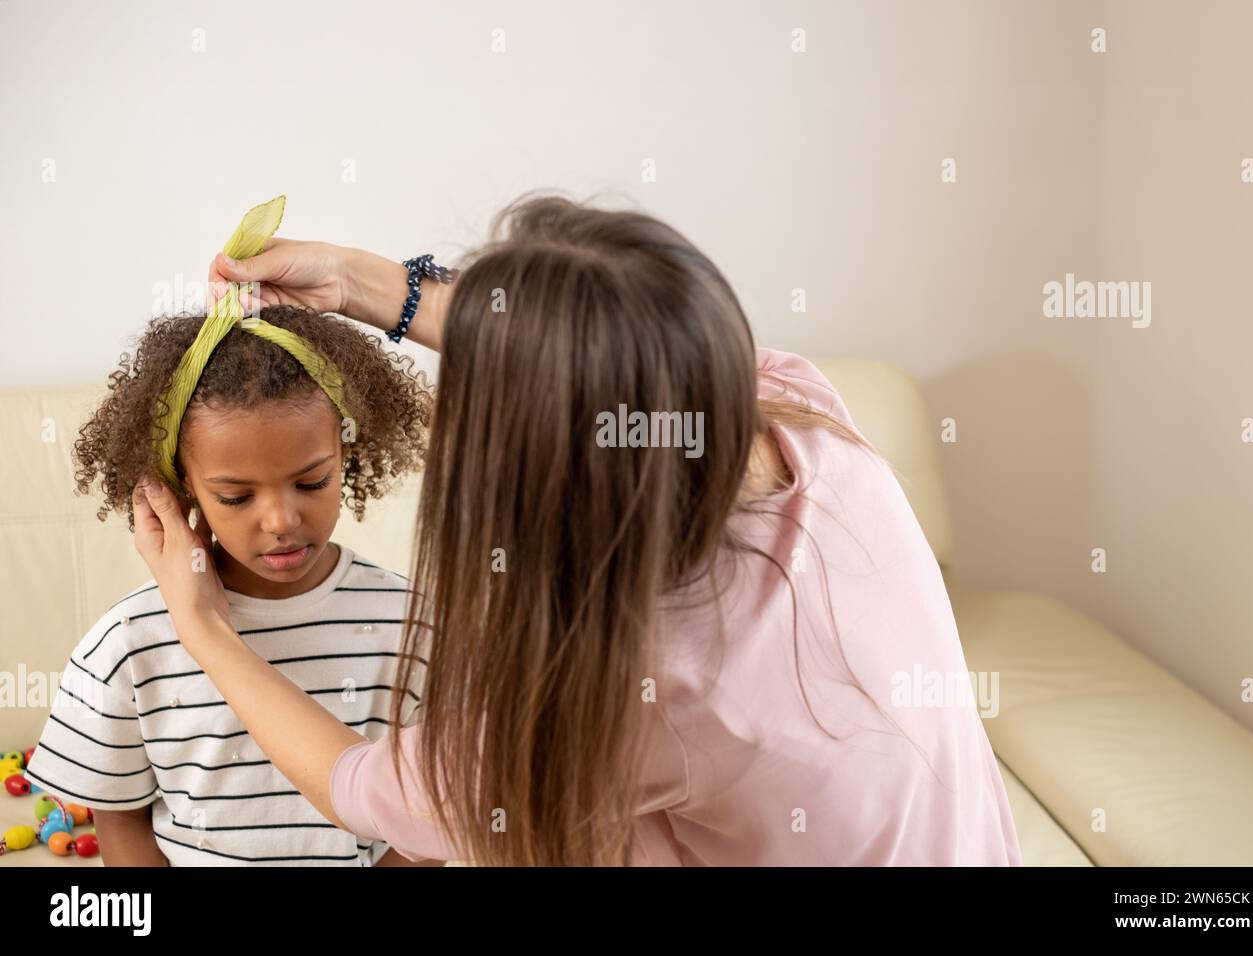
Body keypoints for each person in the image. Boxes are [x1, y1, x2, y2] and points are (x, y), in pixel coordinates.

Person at [133, 189, 1023, 866]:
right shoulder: (794, 412)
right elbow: (629, 346)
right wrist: (364, 283)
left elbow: (378, 791)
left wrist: (207, 631)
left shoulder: (659, 675)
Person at [27, 295, 437, 866]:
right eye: (236, 496)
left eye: (312, 482)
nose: (281, 521)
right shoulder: (129, 642)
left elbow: (432, 817)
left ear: (347, 451)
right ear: (181, 485)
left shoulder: (414, 624)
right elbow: (120, 820)